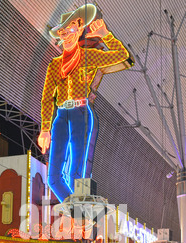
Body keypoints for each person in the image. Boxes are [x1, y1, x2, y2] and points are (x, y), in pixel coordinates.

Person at [38, 3, 133, 202]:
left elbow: (123, 56)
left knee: (76, 174)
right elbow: (47, 97)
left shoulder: (89, 57)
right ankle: (75, 212)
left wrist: (106, 35)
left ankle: (81, 211)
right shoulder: (54, 65)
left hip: (81, 113)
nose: (67, 35)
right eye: (63, 31)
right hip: (61, 117)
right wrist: (45, 129)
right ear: (59, 36)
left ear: (80, 29)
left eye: (71, 29)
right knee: (53, 178)